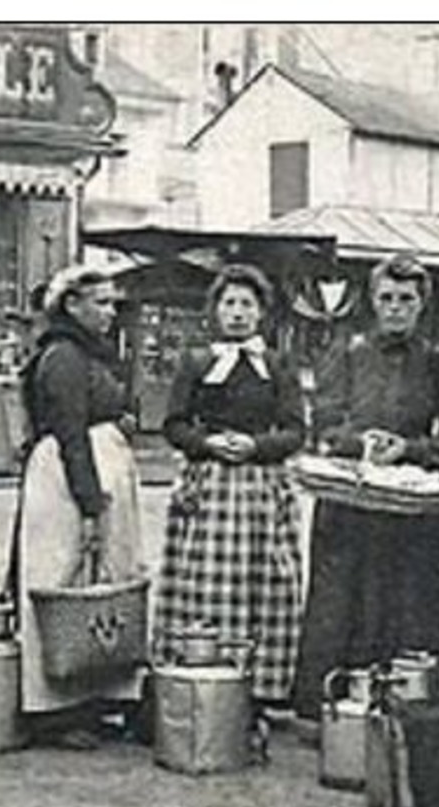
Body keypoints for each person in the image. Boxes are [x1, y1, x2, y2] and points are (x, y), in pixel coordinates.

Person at [292, 254, 439, 724]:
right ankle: (333, 710)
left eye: (406, 300)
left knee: (410, 603)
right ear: (372, 302)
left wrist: (410, 450)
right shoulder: (347, 349)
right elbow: (326, 420)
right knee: (341, 600)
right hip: (351, 497)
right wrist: (361, 443)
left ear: (421, 304)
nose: (396, 308)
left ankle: (405, 708)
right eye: (387, 298)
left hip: (409, 504)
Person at [152, 263, 304, 714]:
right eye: (229, 303)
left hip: (261, 488)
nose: (237, 313)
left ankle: (259, 691)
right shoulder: (197, 361)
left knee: (269, 583)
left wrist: (257, 445)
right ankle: (202, 678)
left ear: (261, 313)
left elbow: (297, 431)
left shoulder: (277, 364)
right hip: (211, 487)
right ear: (215, 311)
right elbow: (174, 425)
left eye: (247, 304)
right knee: (205, 586)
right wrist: (208, 443)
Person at [12, 265, 143, 748]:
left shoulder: (88, 354)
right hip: (67, 483)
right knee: (64, 580)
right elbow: (70, 433)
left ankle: (92, 696)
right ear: (72, 305)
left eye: (112, 303)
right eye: (102, 302)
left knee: (96, 586)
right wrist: (90, 506)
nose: (111, 312)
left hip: (90, 472)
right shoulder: (64, 356)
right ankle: (55, 708)